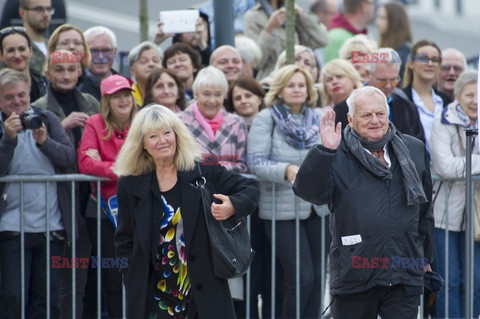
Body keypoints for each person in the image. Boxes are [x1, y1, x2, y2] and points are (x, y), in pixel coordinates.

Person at [293, 86, 434, 319]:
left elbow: (424, 210)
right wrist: (325, 152)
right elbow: (307, 191)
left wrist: (426, 257)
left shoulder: (413, 149)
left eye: (380, 113)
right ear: (350, 119)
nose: (375, 121)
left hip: (403, 270)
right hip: (355, 272)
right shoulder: (337, 152)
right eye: (366, 115)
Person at [113, 104, 260, 318]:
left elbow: (250, 189)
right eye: (153, 136)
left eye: (166, 133)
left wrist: (233, 206)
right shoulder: (131, 183)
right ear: (142, 144)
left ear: (177, 135)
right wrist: (131, 275)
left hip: (203, 290)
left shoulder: (201, 169)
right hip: (154, 294)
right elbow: (124, 239)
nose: (162, 141)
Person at [247, 64, 326, 318]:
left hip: (317, 208)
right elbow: (256, 162)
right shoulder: (266, 118)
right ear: (280, 90)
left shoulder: (319, 117)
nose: (297, 90)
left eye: (301, 85)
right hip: (281, 209)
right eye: (291, 85)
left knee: (318, 278)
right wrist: (287, 170)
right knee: (302, 277)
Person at [0, 68, 76, 318]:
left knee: (48, 300)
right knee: (13, 297)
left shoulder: (47, 118)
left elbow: (68, 157)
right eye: (9, 97)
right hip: (12, 227)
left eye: (22, 95)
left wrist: (44, 141)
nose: (17, 102)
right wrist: (8, 139)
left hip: (51, 227)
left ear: (30, 93)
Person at [32, 49, 98, 319]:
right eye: (59, 70)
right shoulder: (38, 106)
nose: (66, 75)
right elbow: (33, 150)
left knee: (89, 279)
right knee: (64, 281)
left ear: (80, 71)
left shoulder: (92, 102)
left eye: (71, 69)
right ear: (48, 73)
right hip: (59, 200)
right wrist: (63, 125)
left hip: (92, 198)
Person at [76, 74, 135, 318]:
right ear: (106, 101)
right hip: (101, 210)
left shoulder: (142, 122)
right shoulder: (94, 122)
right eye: (115, 96)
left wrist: (108, 166)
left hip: (136, 207)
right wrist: (126, 169)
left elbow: (149, 162)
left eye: (126, 95)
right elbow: (85, 163)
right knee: (113, 273)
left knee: (139, 271)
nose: (123, 100)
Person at [429, 70, 480, 318]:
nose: (475, 101)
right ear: (457, 95)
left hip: (476, 216)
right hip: (444, 215)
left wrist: (467, 163)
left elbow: (454, 165)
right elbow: (445, 167)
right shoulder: (442, 121)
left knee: (475, 282)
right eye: (470, 94)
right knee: (449, 281)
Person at [334, 48, 425, 142]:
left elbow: (418, 146)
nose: (389, 86)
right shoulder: (344, 109)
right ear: (368, 74)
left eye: (394, 80)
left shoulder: (408, 108)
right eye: (382, 80)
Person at [179, 66, 248, 173]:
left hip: (229, 188)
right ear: (195, 94)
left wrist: (210, 167)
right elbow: (178, 162)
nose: (212, 100)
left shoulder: (237, 123)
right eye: (206, 94)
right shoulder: (179, 122)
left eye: (218, 94)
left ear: (224, 96)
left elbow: (243, 165)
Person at [244, 0, 328, 81]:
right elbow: (256, 62)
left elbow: (322, 40)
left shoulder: (293, 11)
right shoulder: (253, 16)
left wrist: (302, 16)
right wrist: (269, 28)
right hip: (272, 78)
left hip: (299, 77)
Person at [402, 39, 451, 153]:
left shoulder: (445, 100)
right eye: (423, 59)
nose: (430, 64)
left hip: (446, 169)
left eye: (435, 60)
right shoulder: (401, 99)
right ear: (411, 63)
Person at [0, 25, 47, 102]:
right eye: (10, 50)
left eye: (22, 49)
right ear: (1, 56)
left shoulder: (46, 85)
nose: (17, 55)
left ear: (30, 51)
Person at [84, 25, 131, 101]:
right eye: (94, 51)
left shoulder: (127, 84)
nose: (101, 57)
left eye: (106, 50)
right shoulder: (75, 86)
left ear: (114, 52)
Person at [375, 1, 413, 82]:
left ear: (394, 21)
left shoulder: (404, 50)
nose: (377, 22)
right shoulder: (382, 46)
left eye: (382, 18)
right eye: (378, 17)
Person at [18, 0, 54, 75]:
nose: (46, 14)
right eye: (39, 9)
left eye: (48, 9)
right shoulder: (17, 48)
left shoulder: (53, 46)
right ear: (22, 13)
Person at [128, 41, 163, 107]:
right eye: (144, 61)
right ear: (133, 71)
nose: (151, 64)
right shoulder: (127, 99)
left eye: (155, 60)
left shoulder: (172, 95)